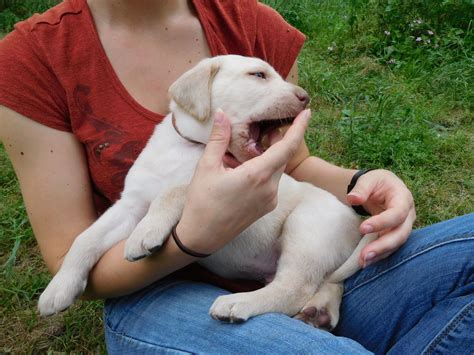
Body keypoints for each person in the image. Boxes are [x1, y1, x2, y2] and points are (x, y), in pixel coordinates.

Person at [0, 0, 471, 353]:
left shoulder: (249, 22)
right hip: (157, 293)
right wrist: (191, 237)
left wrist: (362, 180)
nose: (295, 95)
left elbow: (295, 167)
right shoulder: (34, 58)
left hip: (308, 267)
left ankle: (316, 302)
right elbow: (80, 249)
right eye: (260, 80)